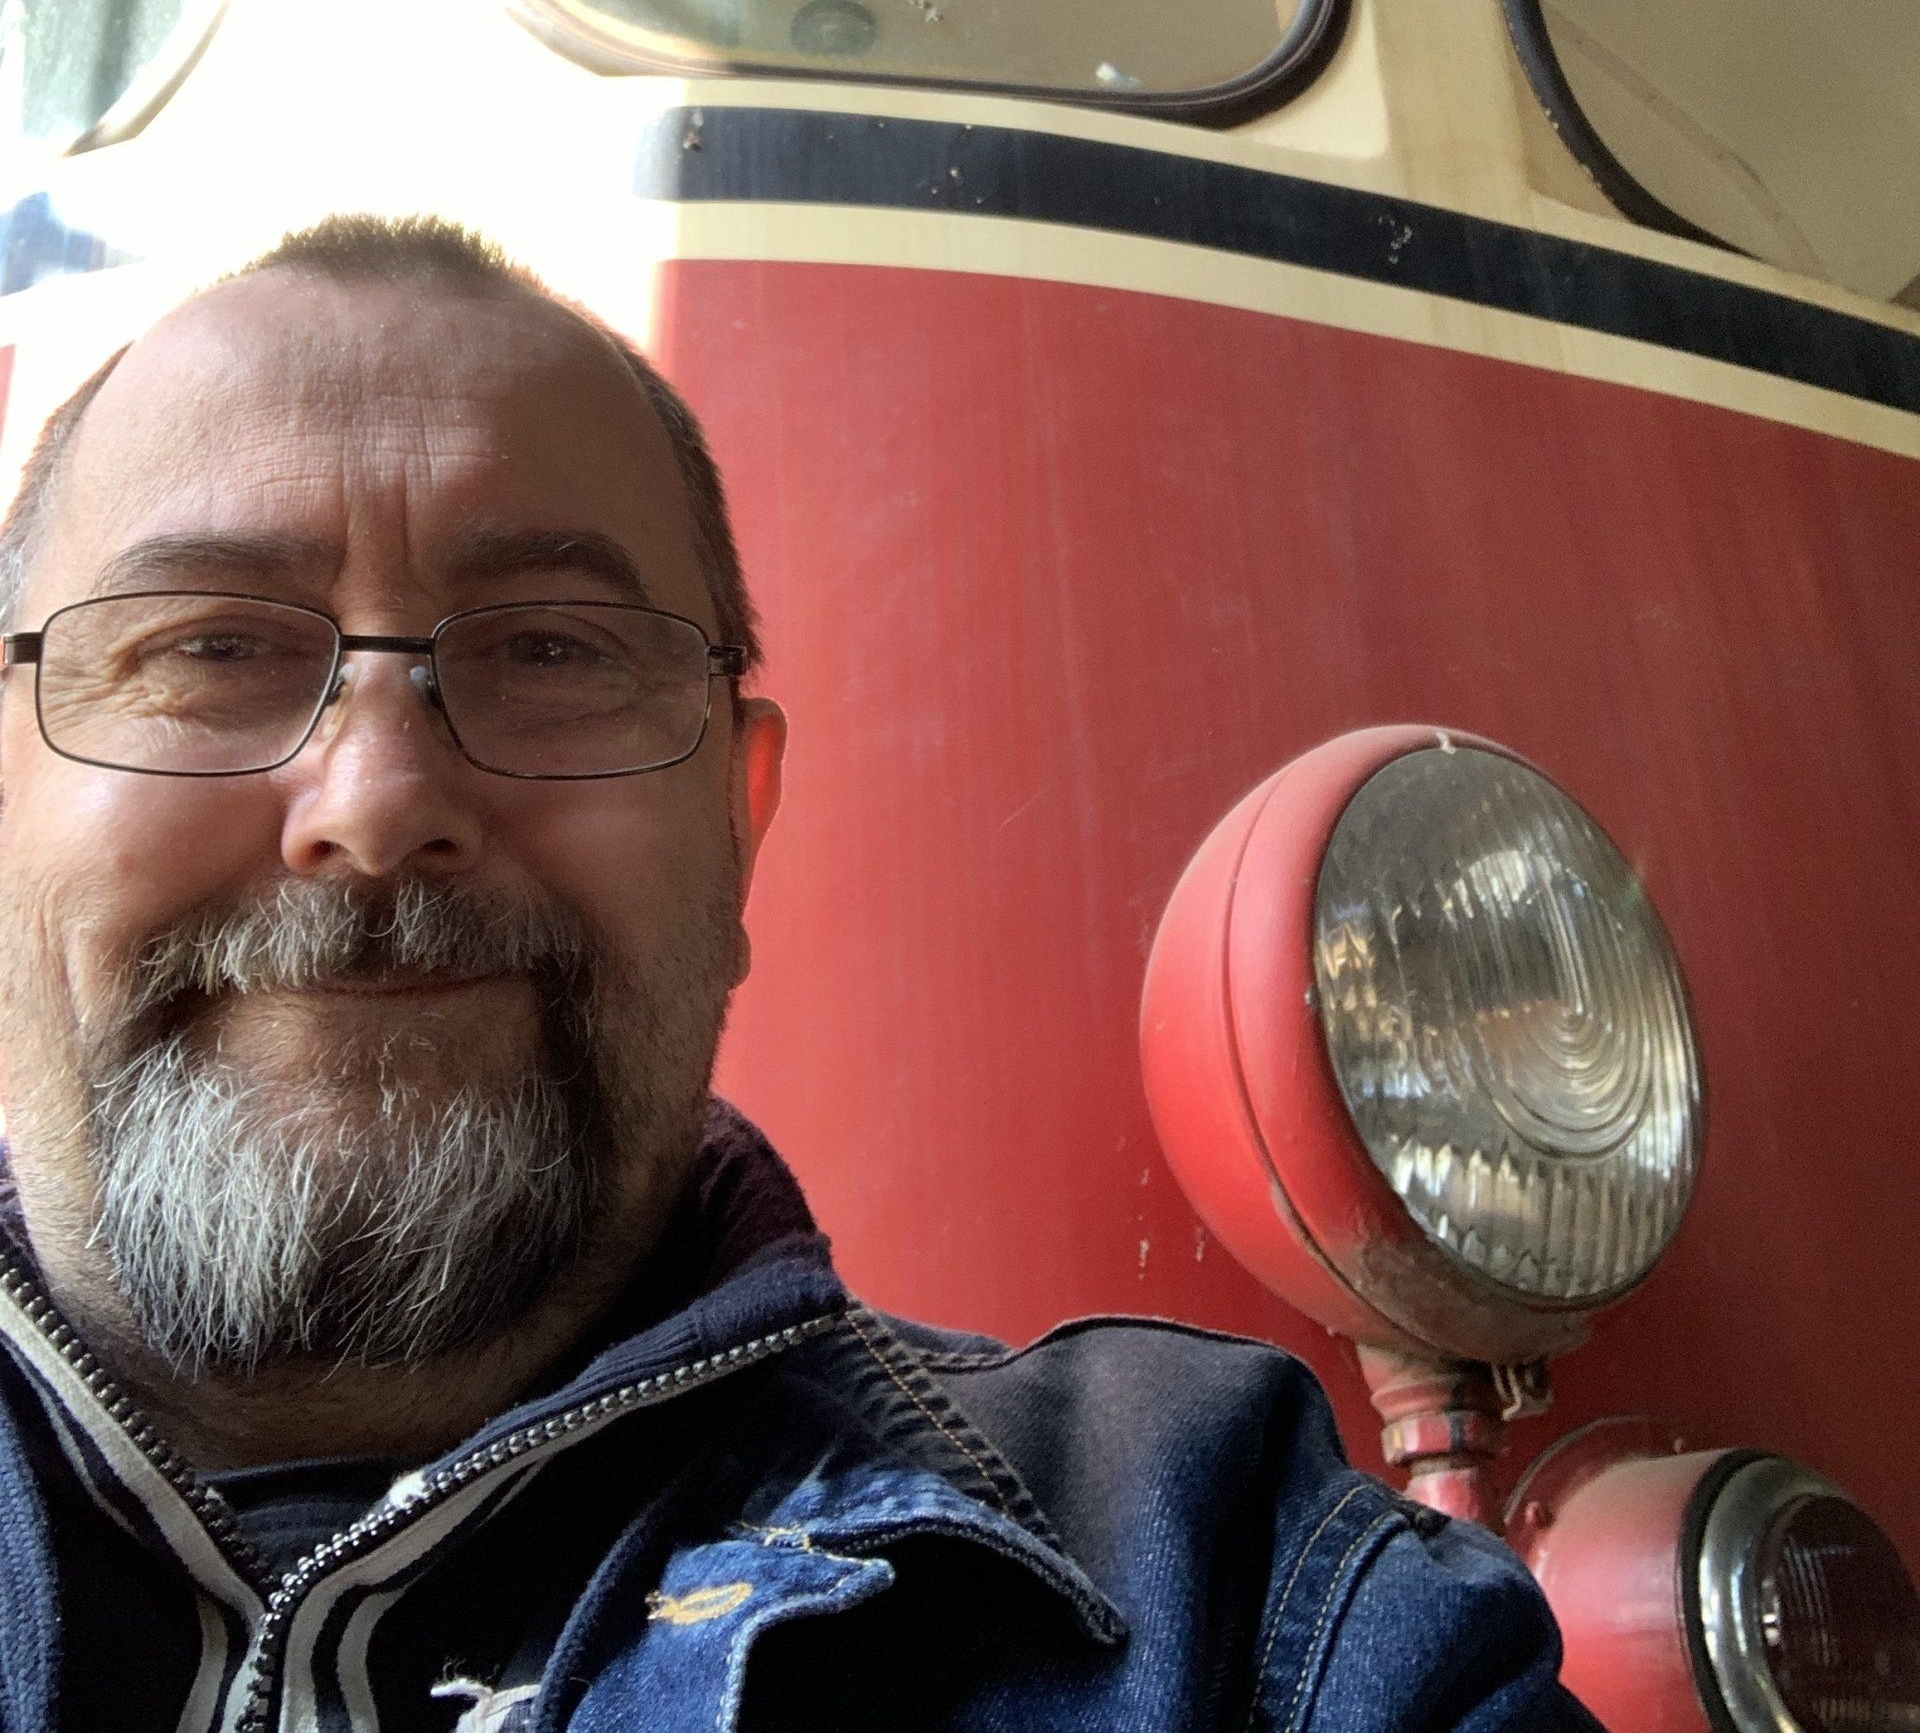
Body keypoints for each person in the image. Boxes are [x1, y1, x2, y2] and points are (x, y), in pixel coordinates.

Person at [0, 215, 1593, 1733]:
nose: (374, 803)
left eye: (552, 651)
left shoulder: (1250, 1596)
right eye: (210, 649)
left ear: (738, 823)